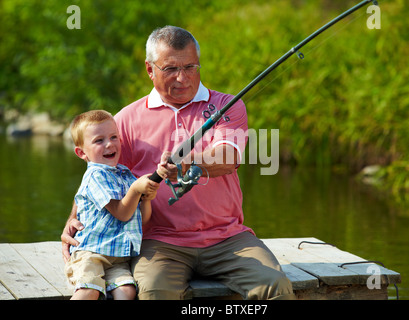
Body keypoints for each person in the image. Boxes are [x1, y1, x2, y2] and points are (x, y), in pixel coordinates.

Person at [62, 26, 295, 300]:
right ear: (150, 70)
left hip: (228, 237)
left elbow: (229, 157)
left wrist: (185, 160)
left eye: (190, 67)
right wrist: (73, 219)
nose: (182, 78)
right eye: (170, 69)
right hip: (159, 240)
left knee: (275, 286)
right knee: (154, 293)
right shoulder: (124, 120)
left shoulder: (227, 105)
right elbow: (98, 174)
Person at [64, 110, 166, 300]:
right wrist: (136, 189)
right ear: (81, 152)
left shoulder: (124, 174)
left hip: (118, 257)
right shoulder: (95, 176)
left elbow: (142, 219)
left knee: (127, 292)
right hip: (90, 253)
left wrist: (147, 199)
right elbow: (122, 213)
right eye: (99, 141)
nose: (109, 144)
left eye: (113, 137)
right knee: (89, 290)